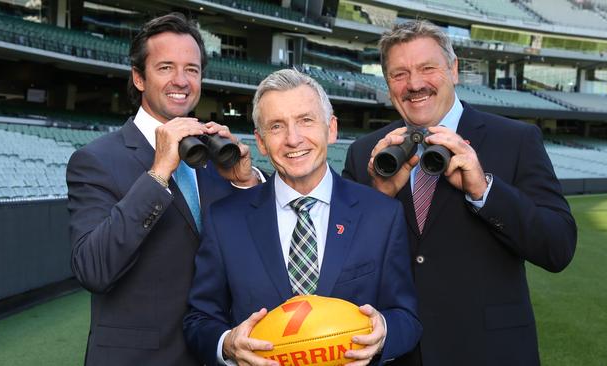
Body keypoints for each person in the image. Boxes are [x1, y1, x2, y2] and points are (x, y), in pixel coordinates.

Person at [342, 20, 577, 366]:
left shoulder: (515, 140)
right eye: (400, 74)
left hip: (490, 353)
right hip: (399, 355)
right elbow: (345, 267)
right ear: (387, 82)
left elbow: (558, 247)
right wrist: (379, 199)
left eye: (427, 68)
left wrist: (484, 189)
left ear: (453, 69)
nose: (415, 84)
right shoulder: (365, 154)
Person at [183, 69, 422, 366]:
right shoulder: (225, 220)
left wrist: (385, 332)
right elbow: (199, 320)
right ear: (260, 141)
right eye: (277, 126)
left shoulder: (381, 214)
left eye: (306, 120)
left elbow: (407, 318)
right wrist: (227, 344)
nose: (293, 139)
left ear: (331, 129)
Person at [66, 13, 262, 366]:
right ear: (139, 78)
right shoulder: (95, 160)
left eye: (192, 69)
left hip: (216, 353)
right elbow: (93, 269)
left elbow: (249, 252)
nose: (181, 81)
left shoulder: (216, 154)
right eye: (166, 67)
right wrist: (159, 173)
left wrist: (245, 183)